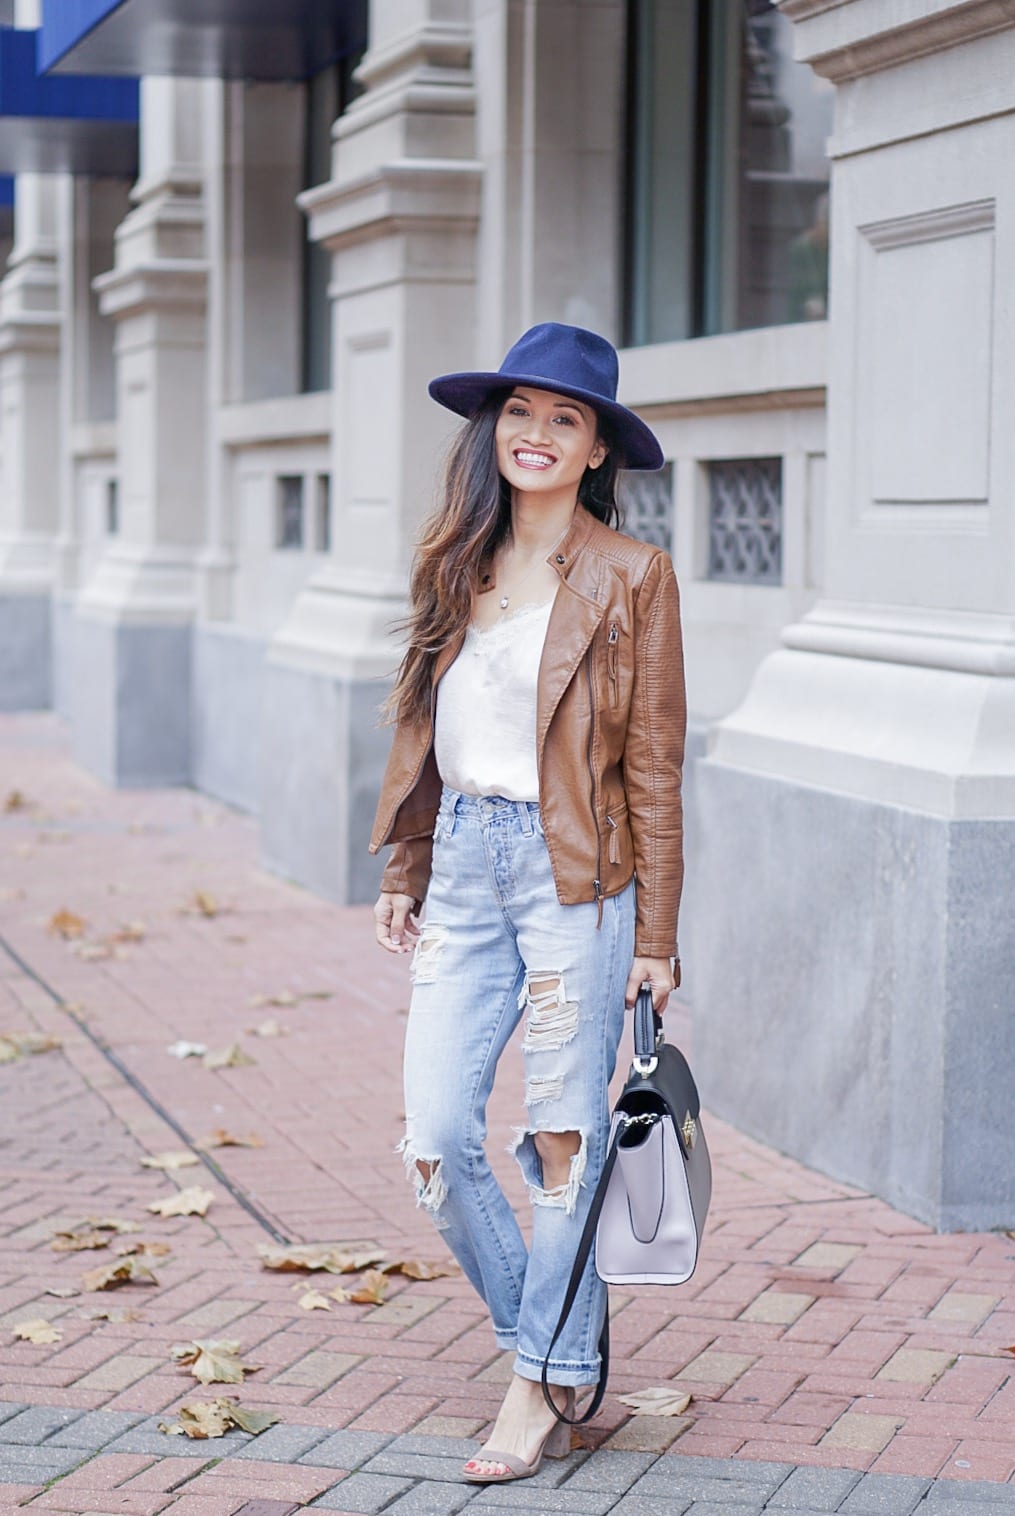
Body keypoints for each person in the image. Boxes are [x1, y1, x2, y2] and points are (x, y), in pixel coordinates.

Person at [369, 322, 686, 1484]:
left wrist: (656, 936)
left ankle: (530, 1390)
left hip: (577, 882)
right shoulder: (452, 560)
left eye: (564, 418)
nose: (535, 434)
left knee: (564, 1130)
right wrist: (405, 865)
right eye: (519, 412)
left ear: (596, 446)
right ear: (492, 428)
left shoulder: (632, 577)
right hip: (462, 863)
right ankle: (559, 1343)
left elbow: (653, 765)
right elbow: (420, 727)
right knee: (437, 1137)